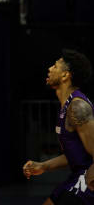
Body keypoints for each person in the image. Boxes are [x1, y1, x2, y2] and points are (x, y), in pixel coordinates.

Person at [23, 50, 94, 204]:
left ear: (65, 75)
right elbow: (77, 153)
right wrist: (43, 166)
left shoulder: (77, 107)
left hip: (85, 182)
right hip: (76, 177)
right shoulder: (66, 106)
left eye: (55, 66)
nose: (49, 68)